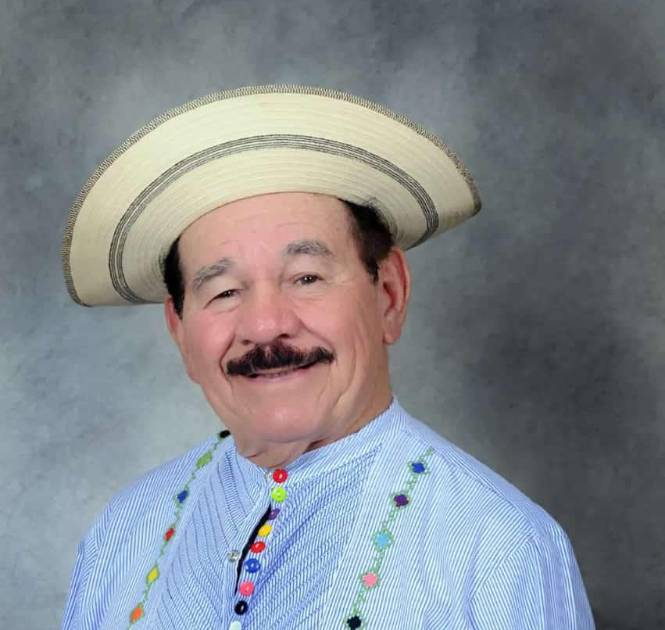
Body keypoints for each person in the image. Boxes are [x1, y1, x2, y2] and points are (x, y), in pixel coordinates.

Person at [61, 86, 595, 629]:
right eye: (224, 291)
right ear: (179, 330)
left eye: (306, 278)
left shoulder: (500, 549)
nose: (264, 326)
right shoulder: (124, 535)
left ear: (389, 295)